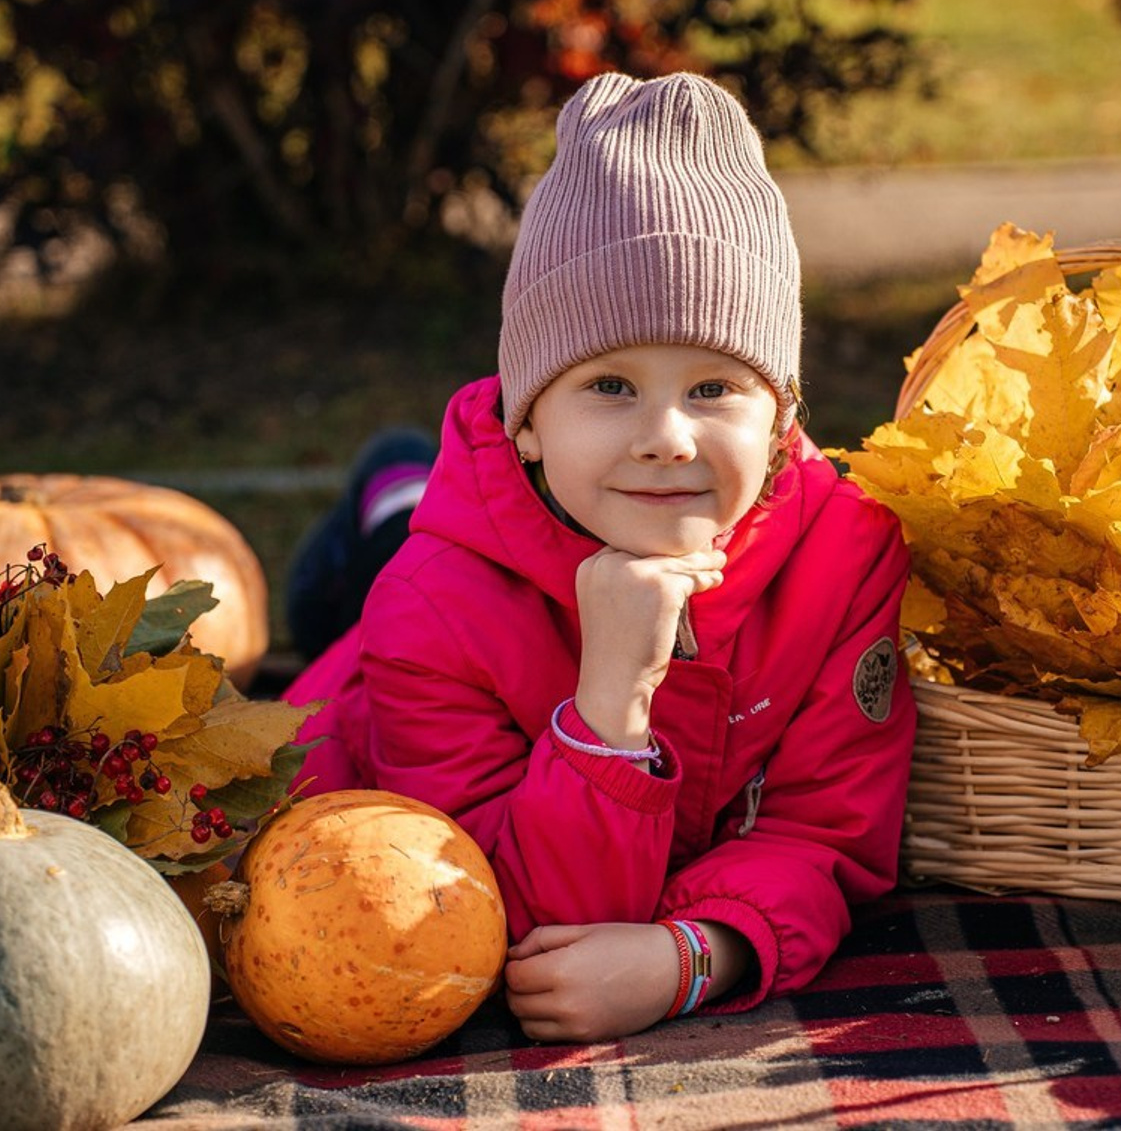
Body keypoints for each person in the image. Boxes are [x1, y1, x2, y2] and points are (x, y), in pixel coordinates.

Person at [284, 70, 918, 1043]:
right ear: (524, 418)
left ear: (783, 412)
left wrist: (697, 952)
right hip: (356, 690)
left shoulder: (847, 552)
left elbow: (826, 830)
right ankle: (392, 490)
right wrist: (608, 704)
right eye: (610, 384)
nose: (666, 435)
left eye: (713, 387)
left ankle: (400, 478)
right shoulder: (428, 601)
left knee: (404, 510)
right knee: (357, 579)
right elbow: (503, 912)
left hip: (517, 537)